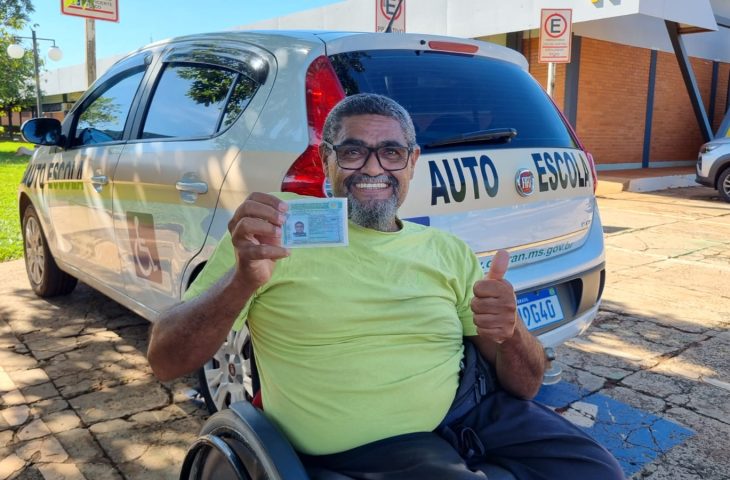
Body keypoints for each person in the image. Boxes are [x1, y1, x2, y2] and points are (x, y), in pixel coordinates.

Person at [147, 93, 623, 479]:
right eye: (353, 151)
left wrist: (511, 329)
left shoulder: (447, 250)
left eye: (392, 152)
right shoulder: (268, 237)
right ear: (326, 159)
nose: (373, 168)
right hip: (364, 452)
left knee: (599, 470)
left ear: (412, 161)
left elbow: (527, 385)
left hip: (468, 416)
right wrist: (240, 283)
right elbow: (166, 359)